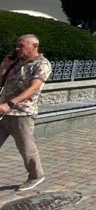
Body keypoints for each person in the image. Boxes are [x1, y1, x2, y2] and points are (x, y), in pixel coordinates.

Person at [0, 34, 53, 192]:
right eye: (17, 45)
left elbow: (33, 88)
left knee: (26, 147)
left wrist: (11, 103)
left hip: (22, 113)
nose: (17, 49)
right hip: (4, 111)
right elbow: (2, 81)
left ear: (34, 46)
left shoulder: (42, 64)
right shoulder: (17, 61)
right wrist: (4, 66)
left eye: (21, 46)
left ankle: (36, 175)